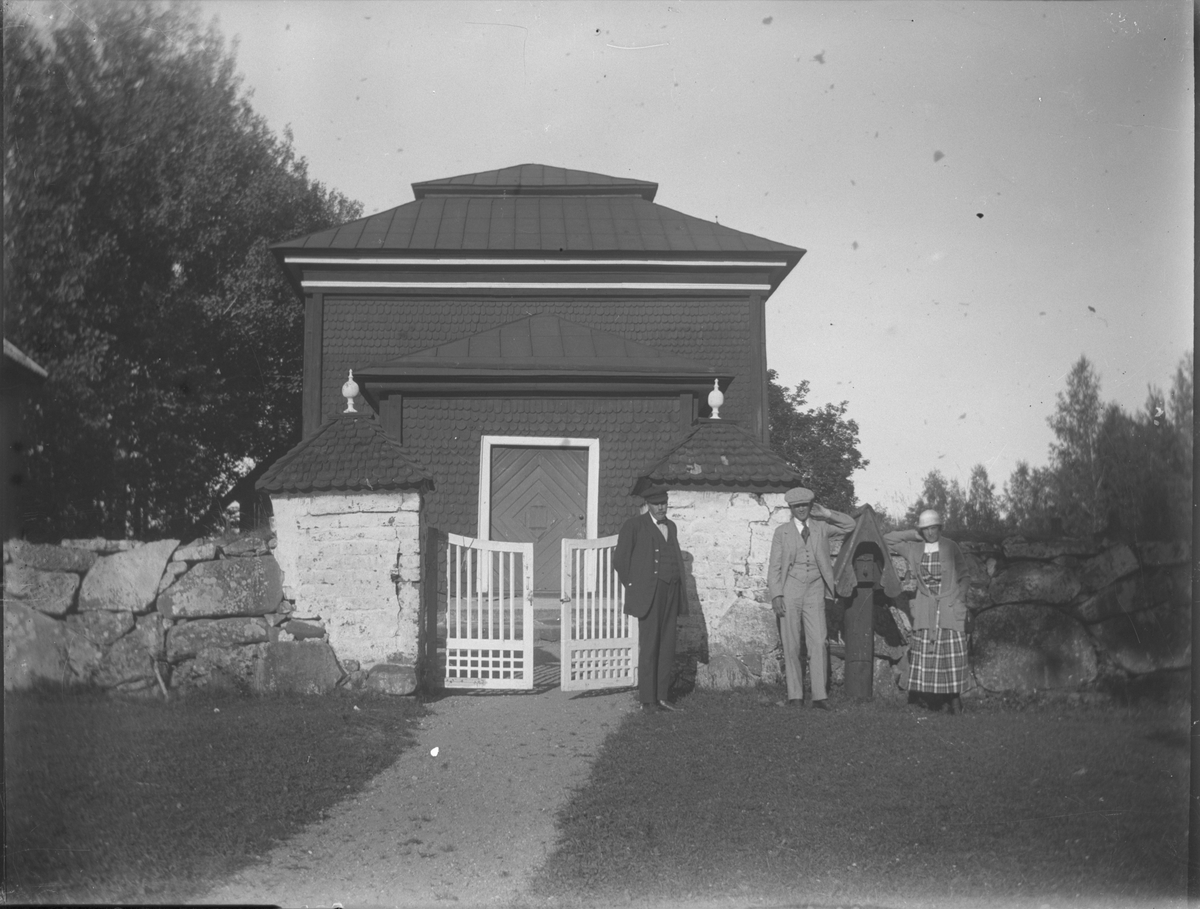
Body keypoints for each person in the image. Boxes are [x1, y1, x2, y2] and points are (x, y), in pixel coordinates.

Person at [767, 487, 855, 709]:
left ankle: (819, 696)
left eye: (805, 505)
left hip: (816, 589)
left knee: (818, 641)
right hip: (790, 589)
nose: (801, 510)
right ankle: (795, 695)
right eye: (797, 506)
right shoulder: (782, 532)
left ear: (810, 505)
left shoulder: (821, 527)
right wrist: (776, 594)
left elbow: (850, 525)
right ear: (791, 508)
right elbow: (774, 566)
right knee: (791, 643)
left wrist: (826, 513)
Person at [884, 509, 971, 714]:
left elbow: (965, 576)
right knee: (926, 655)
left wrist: (959, 598)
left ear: (940, 528)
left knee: (951, 654)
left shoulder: (950, 546)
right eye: (926, 529)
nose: (930, 532)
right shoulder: (915, 548)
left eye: (934, 528)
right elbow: (887, 539)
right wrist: (913, 534)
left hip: (948, 606)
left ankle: (955, 701)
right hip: (926, 606)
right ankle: (927, 700)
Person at [614, 486, 685, 712]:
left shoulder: (671, 526)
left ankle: (662, 696)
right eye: (657, 504)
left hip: (671, 591)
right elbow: (620, 561)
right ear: (648, 505)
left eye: (664, 503)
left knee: (667, 644)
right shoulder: (634, 526)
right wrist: (636, 587)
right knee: (649, 645)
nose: (661, 507)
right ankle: (647, 699)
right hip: (649, 594)